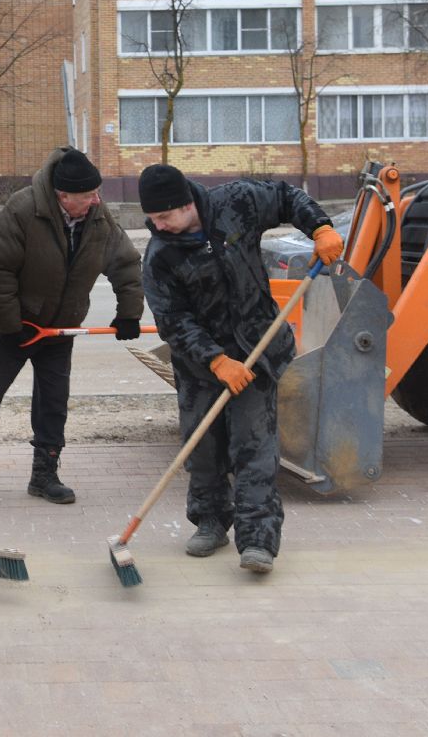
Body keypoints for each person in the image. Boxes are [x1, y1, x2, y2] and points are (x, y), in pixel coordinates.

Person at [136, 163, 343, 574]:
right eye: (153, 218)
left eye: (164, 216)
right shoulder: (160, 256)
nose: (157, 225)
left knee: (254, 447)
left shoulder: (235, 203)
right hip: (201, 364)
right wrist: (216, 360)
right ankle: (211, 522)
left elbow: (285, 197)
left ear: (187, 204)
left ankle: (258, 540)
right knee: (203, 446)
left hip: (257, 349)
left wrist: (319, 227)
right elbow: (173, 321)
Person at [0, 147, 143, 506]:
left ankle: (44, 476)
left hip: (59, 331)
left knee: (53, 405)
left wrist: (129, 314)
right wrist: (12, 325)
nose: (96, 200)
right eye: (88, 195)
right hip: (10, 329)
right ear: (62, 196)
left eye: (96, 193)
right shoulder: (23, 210)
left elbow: (126, 265)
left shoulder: (98, 218)